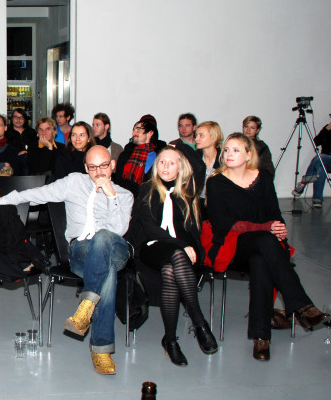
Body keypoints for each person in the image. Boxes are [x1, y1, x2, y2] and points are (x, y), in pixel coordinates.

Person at [0, 146, 133, 375]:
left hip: (116, 248)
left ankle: (86, 307)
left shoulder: (124, 195)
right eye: (92, 167)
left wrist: (111, 195)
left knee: (104, 237)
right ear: (85, 168)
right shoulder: (74, 182)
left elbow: (118, 230)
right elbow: (35, 194)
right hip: (81, 250)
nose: (98, 172)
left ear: (112, 165)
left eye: (103, 166)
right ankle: (100, 348)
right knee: (107, 273)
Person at [205, 133, 326, 361]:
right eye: (227, 150)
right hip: (231, 246)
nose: (229, 154)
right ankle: (302, 306)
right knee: (264, 241)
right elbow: (223, 225)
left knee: (262, 260)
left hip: (265, 245)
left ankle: (261, 337)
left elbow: (275, 216)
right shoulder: (216, 182)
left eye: (235, 150)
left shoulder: (264, 179)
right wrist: (267, 228)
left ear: (249, 155)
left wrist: (280, 231)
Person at [128, 147, 217, 366]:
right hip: (152, 246)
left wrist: (190, 247)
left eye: (172, 163)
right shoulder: (146, 189)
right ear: (155, 166)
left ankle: (170, 340)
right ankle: (200, 323)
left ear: (181, 168)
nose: (166, 167)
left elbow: (193, 230)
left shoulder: (188, 193)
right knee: (175, 255)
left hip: (181, 252)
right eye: (162, 162)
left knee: (170, 272)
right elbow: (149, 228)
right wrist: (181, 245)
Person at [113, 115, 162, 198]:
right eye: (133, 130)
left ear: (150, 133)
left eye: (138, 129)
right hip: (126, 202)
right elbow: (118, 184)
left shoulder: (159, 158)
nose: (134, 133)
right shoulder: (125, 155)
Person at [291, 118, 331, 208]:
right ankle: (317, 199)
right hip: (324, 162)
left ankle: (303, 183)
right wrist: (327, 128)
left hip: (325, 158)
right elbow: (316, 142)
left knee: (320, 157)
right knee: (320, 169)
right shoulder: (327, 129)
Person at [195, 120, 223, 200]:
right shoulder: (194, 158)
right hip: (197, 205)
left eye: (201, 136)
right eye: (196, 135)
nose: (196, 139)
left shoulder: (224, 160)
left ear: (214, 137)